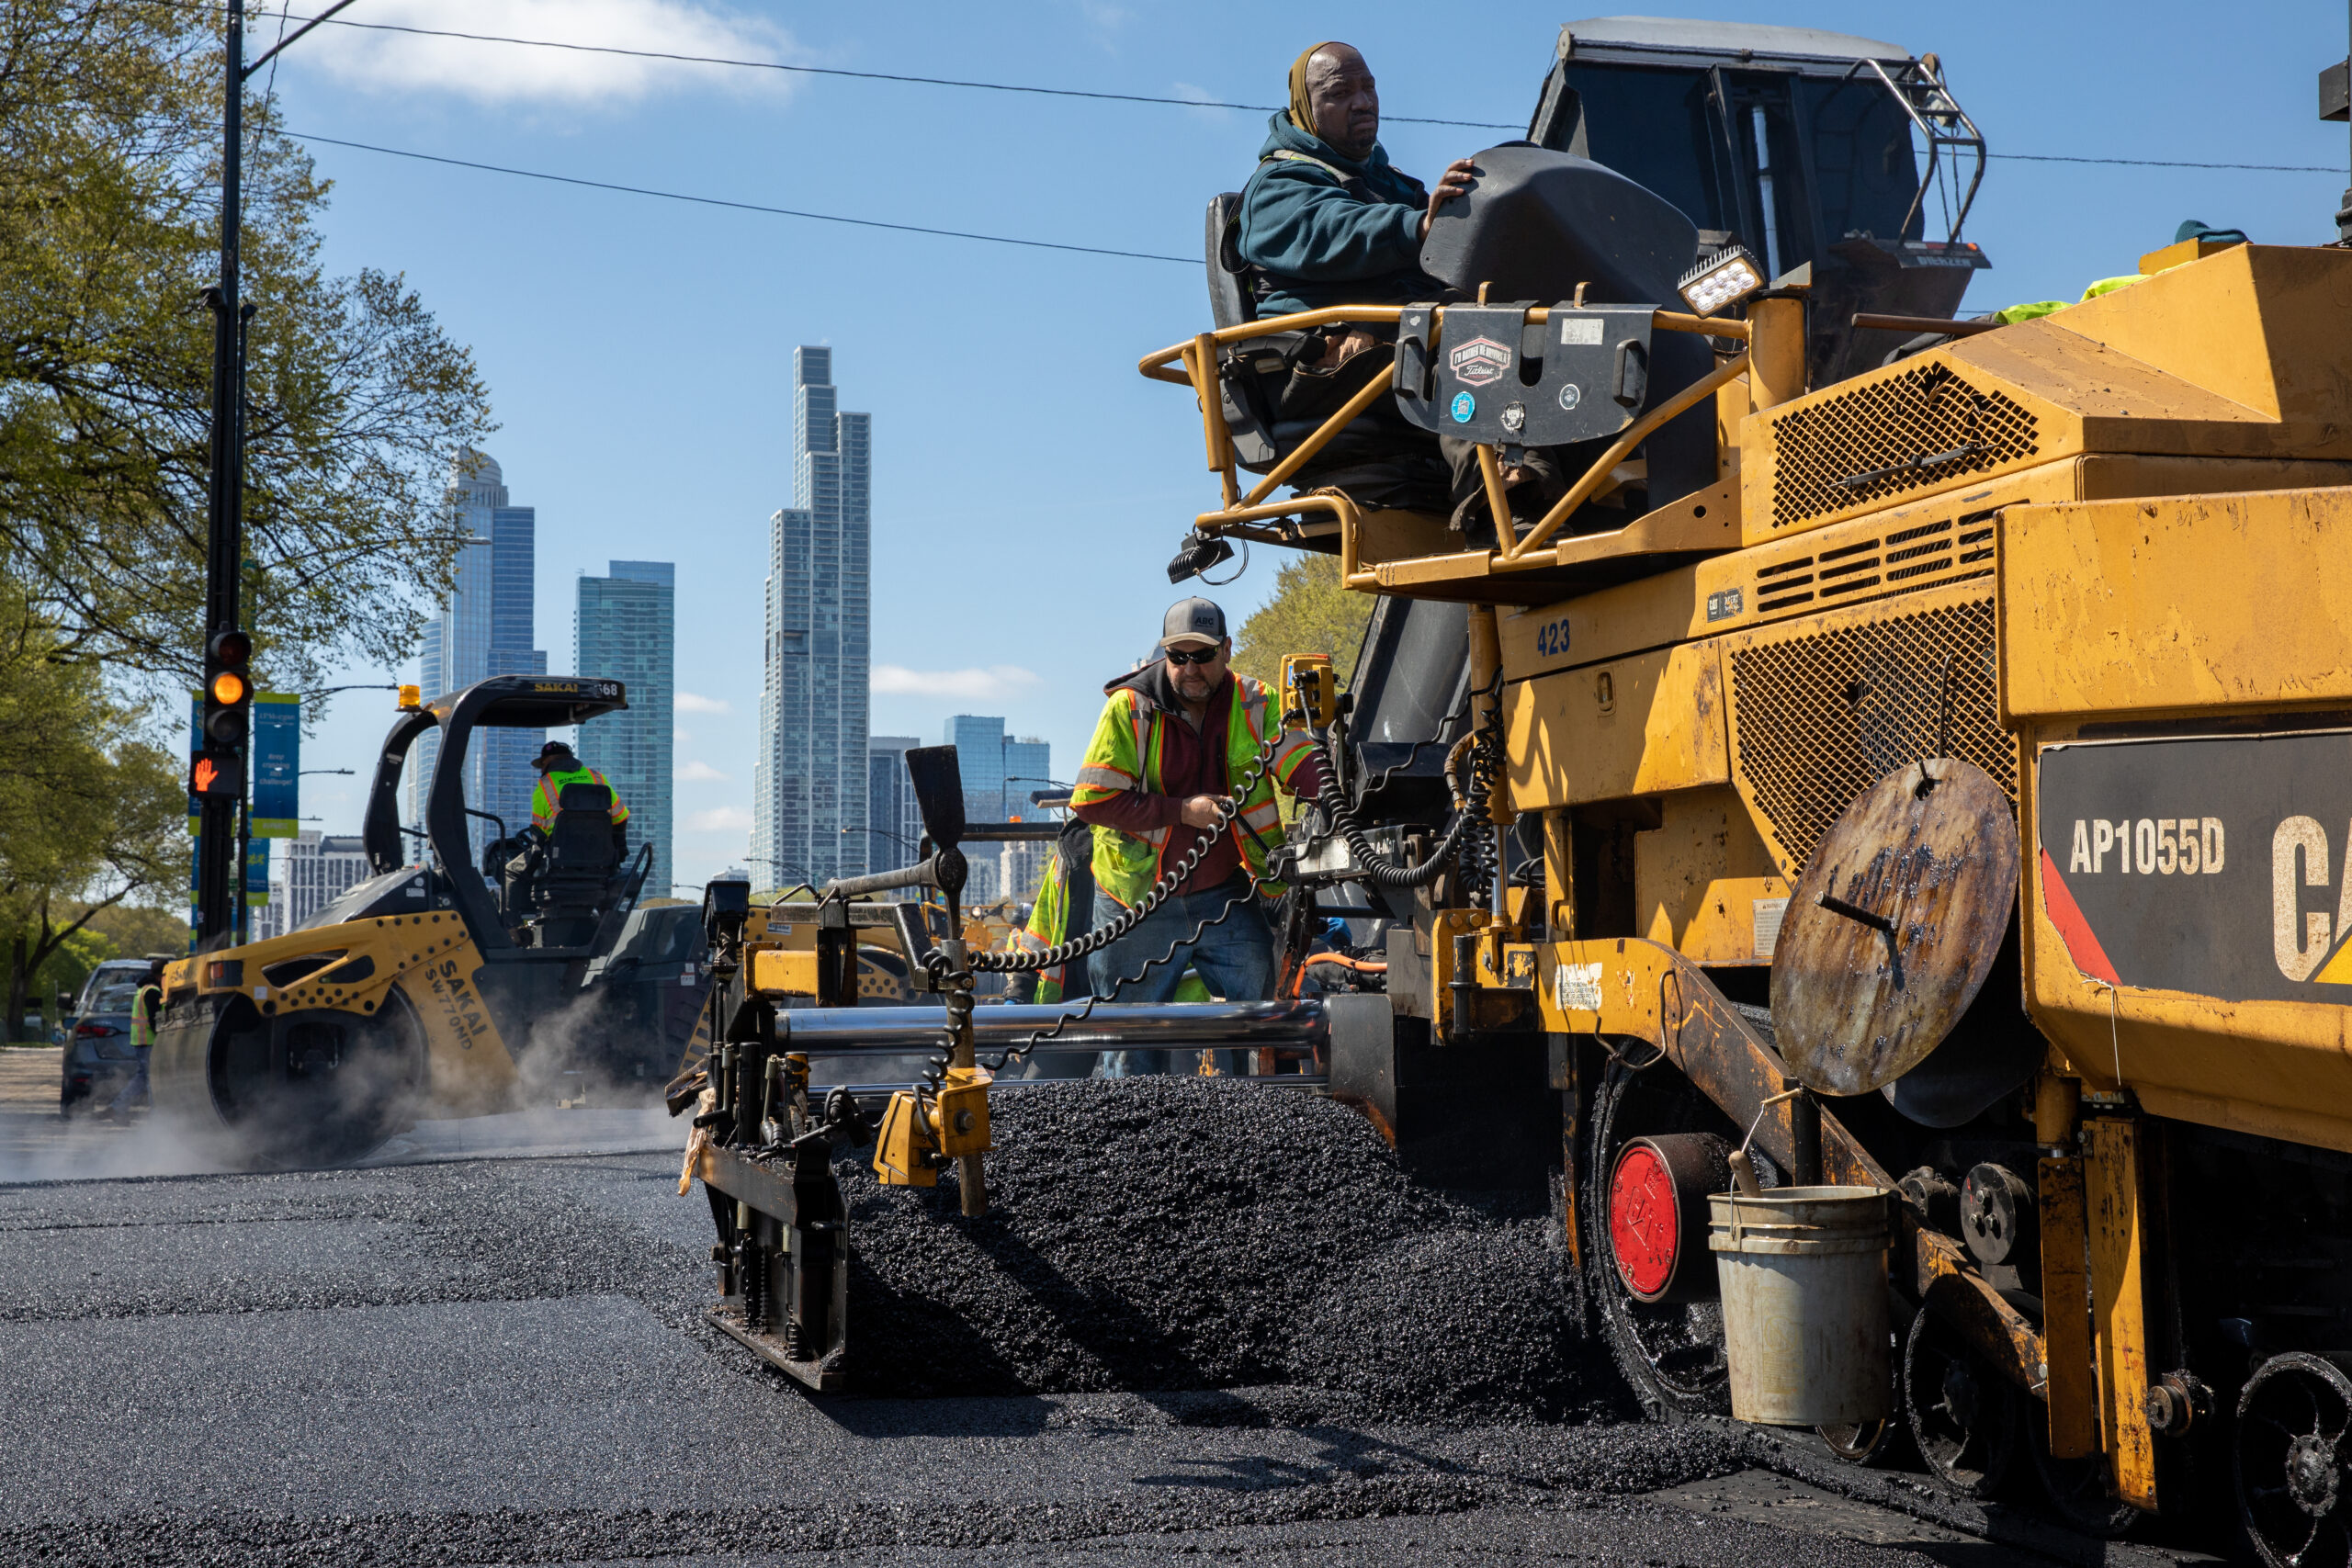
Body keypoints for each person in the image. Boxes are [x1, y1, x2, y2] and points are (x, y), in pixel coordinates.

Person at [1232, 41, 1557, 532]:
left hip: (1400, 336)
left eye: (1368, 88)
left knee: (1541, 325)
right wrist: (1418, 227)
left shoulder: (1390, 183)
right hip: (1326, 363)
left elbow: (1447, 253)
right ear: (1305, 107)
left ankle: (1582, 487)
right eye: (1340, 93)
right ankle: (1501, 505)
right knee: (1470, 343)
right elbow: (1338, 232)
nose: (1362, 102)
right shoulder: (1277, 187)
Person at [1069, 597, 1325, 1071]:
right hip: (1136, 901)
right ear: (1165, 654)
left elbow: (1300, 763)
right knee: (1131, 1046)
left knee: (1263, 1016)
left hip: (1222, 893)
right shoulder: (1131, 709)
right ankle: (1133, 1119)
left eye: (1203, 655)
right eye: (1178, 656)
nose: (1190, 669)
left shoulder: (1256, 701)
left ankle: (1265, 1110)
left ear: (1226, 650)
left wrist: (1337, 792)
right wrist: (1183, 812)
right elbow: (1091, 801)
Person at [529, 739, 630, 857]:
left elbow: (538, 831)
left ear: (546, 762)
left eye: (542, 765)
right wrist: (620, 847)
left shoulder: (544, 784)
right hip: (601, 856)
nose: (541, 770)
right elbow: (621, 816)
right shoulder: (597, 777)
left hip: (562, 857)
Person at [98, 959, 165, 1120]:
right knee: (151, 1079)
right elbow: (154, 1019)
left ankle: (117, 1108)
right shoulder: (153, 991)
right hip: (149, 1041)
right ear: (163, 974)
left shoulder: (143, 989)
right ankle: (155, 1117)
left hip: (141, 1040)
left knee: (143, 1077)